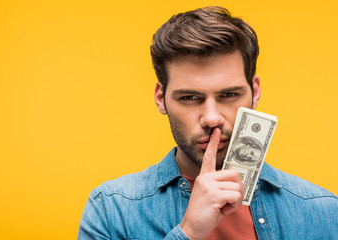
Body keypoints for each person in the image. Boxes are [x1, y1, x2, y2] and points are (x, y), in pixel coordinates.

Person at [78, 6, 338, 239]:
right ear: (161, 99)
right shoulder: (111, 210)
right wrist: (188, 233)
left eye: (229, 95)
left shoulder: (325, 212)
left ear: (255, 93)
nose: (212, 118)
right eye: (190, 97)